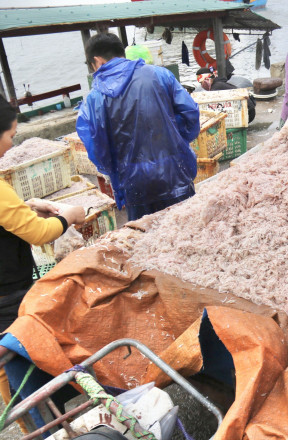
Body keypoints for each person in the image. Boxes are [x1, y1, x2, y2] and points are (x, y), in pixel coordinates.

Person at [0, 96, 85, 431]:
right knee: (16, 360)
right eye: (9, 136)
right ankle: (41, 426)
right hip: (6, 294)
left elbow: (10, 217)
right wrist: (68, 217)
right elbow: (38, 233)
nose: (11, 145)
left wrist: (27, 205)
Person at [77, 32, 200, 221]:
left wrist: (115, 173)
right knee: (187, 233)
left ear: (97, 61)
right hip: (175, 174)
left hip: (135, 185)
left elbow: (98, 149)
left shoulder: (95, 98)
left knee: (145, 241)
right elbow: (190, 113)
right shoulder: (160, 75)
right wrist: (176, 141)